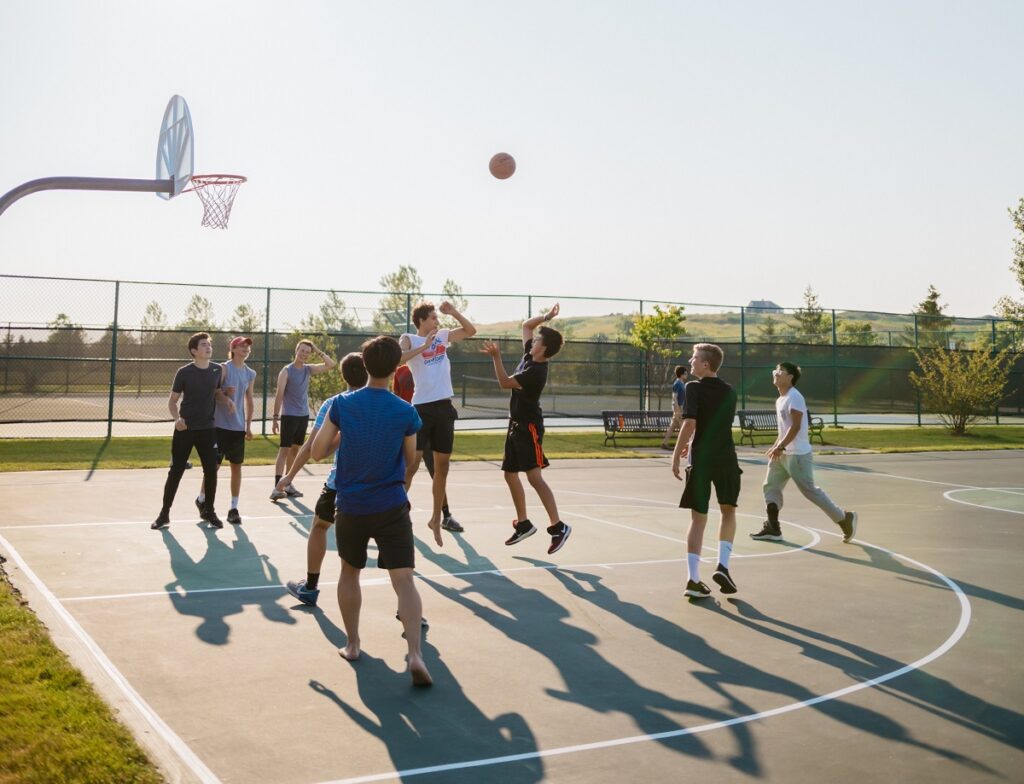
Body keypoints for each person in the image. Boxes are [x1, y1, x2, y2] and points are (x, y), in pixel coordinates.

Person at [310, 335, 436, 686]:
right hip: (392, 504)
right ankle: (415, 653)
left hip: (351, 504)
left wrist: (343, 435)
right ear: (396, 367)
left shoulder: (342, 405)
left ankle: (352, 644)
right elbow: (410, 459)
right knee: (404, 579)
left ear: (363, 365)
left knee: (350, 572)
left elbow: (319, 451)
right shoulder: (405, 410)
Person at [480, 303, 571, 555]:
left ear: (544, 348)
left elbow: (504, 383)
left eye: (537, 340)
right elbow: (527, 325)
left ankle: (558, 526)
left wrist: (497, 357)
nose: (532, 340)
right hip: (516, 425)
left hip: (529, 428)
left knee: (534, 477)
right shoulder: (529, 355)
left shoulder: (535, 371)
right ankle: (523, 523)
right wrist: (548, 317)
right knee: (510, 474)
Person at [283, 352, 367, 606]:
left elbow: (313, 446)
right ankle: (409, 609)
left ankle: (310, 586)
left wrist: (289, 475)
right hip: (381, 487)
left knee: (320, 526)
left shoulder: (336, 403)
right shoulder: (389, 402)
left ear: (343, 375)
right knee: (390, 547)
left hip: (341, 482)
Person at [750, 362, 857, 543]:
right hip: (782, 453)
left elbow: (796, 426)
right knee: (770, 486)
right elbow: (784, 429)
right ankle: (773, 527)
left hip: (798, 455)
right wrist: (777, 445)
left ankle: (844, 518)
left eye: (780, 371)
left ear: (790, 377)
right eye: (775, 370)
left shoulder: (795, 397)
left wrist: (781, 446)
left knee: (810, 491)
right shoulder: (780, 399)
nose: (776, 373)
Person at [398, 301, 476, 535]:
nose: (437, 321)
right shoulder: (409, 338)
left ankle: (436, 518)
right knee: (411, 465)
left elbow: (471, 331)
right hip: (421, 408)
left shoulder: (443, 335)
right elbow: (398, 359)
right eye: (433, 317)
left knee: (442, 467)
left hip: (444, 407)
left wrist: (453, 312)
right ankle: (397, 511)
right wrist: (425, 347)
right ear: (421, 320)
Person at [671, 343, 741, 598]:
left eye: (695, 357)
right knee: (728, 511)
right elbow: (715, 424)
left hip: (702, 459)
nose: (691, 360)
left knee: (698, 518)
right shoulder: (730, 392)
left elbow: (690, 423)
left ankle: (693, 579)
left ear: (706, 364)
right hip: (726, 458)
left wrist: (676, 455)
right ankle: (723, 565)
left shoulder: (693, 387)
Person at [152, 332, 233, 530]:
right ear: (194, 351)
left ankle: (209, 511)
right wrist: (177, 419)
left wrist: (227, 399)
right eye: (203, 345)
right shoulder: (184, 372)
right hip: (185, 429)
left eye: (209, 344)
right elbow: (172, 401)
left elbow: (216, 394)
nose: (208, 347)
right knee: (176, 472)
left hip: (207, 430)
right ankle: (164, 515)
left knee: (211, 472)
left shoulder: (217, 370)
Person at [393, 363, 458, 530]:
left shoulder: (433, 365)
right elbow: (397, 396)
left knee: (438, 471)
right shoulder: (400, 371)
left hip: (432, 422)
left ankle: (445, 515)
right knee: (410, 468)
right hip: (414, 425)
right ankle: (394, 512)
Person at [271, 339, 336, 500]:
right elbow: (279, 394)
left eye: (307, 352)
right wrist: (275, 418)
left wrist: (317, 349)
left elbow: (330, 364)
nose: (304, 354)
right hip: (289, 416)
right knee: (284, 449)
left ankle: (288, 483)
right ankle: (277, 485)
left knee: (295, 449)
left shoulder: (308, 370)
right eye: (302, 351)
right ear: (296, 351)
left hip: (303, 416)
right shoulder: (286, 371)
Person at [208, 336, 257, 525]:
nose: (246, 349)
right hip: (219, 426)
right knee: (214, 467)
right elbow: (213, 392)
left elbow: (250, 400)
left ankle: (233, 508)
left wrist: (248, 426)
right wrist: (225, 397)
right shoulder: (223, 369)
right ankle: (204, 500)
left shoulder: (250, 373)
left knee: (236, 467)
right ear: (234, 349)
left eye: (248, 347)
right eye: (242, 346)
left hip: (237, 428)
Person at [661, 365, 689, 450]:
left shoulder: (681, 383)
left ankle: (664, 443)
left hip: (680, 408)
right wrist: (677, 410)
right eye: (685, 373)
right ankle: (685, 445)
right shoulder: (677, 384)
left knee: (672, 426)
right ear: (681, 374)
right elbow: (674, 397)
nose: (687, 374)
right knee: (683, 427)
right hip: (678, 408)